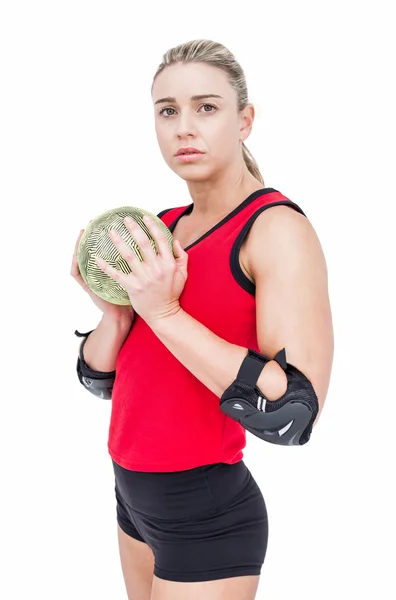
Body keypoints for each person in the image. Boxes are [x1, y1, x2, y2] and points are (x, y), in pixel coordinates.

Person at [71, 39, 334, 600]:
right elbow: (104, 381)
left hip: (208, 514)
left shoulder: (274, 229)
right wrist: (117, 317)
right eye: (168, 111)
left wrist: (163, 311)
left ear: (245, 121)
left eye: (206, 107)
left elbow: (291, 413)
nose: (184, 127)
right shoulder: (160, 226)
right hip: (132, 500)